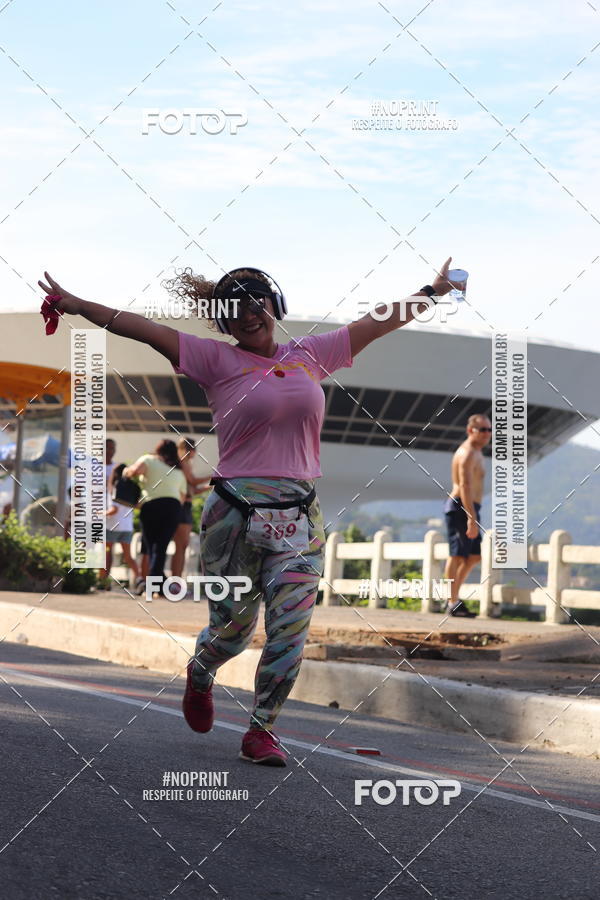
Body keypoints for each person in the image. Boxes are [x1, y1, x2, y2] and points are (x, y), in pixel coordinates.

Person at [38, 258, 456, 766]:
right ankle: (201, 670)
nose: (249, 314)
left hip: (300, 515)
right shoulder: (214, 360)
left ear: (275, 306)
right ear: (223, 321)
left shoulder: (312, 354)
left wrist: (431, 291)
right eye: (235, 308)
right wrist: (79, 305)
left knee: (291, 628)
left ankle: (261, 730)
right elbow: (144, 329)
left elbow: (379, 319)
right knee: (233, 631)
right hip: (233, 514)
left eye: (258, 302)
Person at [122, 440, 186, 597]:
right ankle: (160, 583)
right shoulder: (178, 471)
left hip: (152, 506)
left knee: (152, 547)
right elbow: (183, 497)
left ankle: (154, 585)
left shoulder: (148, 460)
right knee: (161, 546)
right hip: (173, 507)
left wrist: (125, 472)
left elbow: (133, 472)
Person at [443, 414, 492, 617]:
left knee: (473, 556)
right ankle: (452, 601)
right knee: (457, 554)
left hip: (472, 508)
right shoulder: (467, 453)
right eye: (483, 430)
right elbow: (464, 486)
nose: (487, 434)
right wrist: (471, 518)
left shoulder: (478, 453)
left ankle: (454, 598)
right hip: (461, 507)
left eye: (489, 430)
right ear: (470, 430)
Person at [171, 437, 211, 580]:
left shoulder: (183, 463)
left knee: (182, 546)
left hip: (185, 505)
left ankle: (176, 580)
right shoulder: (183, 463)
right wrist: (213, 476)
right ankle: (175, 581)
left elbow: (192, 489)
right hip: (182, 506)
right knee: (180, 546)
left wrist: (211, 485)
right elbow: (193, 481)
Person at [105, 463, 140, 588]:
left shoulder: (115, 487)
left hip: (112, 526)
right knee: (128, 557)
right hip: (127, 527)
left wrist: (99, 513)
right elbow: (137, 506)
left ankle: (103, 581)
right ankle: (140, 579)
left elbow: (114, 510)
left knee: (106, 553)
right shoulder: (132, 487)